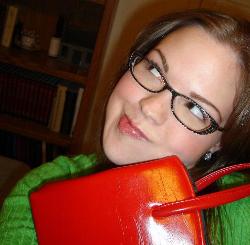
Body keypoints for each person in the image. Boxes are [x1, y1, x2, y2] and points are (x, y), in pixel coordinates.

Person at [0, 9, 249, 245]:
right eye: (154, 70)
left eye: (195, 108)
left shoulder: (240, 215)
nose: (149, 108)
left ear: (219, 143)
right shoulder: (40, 193)